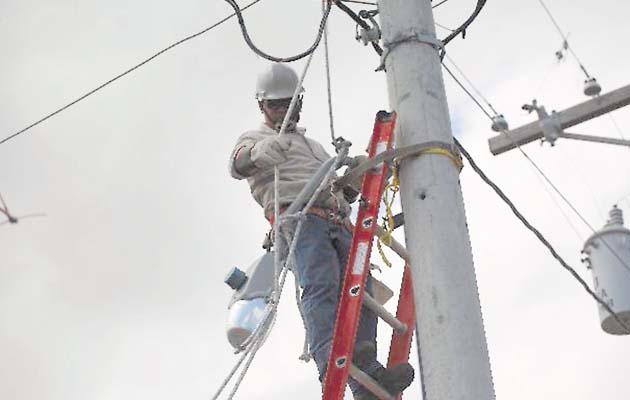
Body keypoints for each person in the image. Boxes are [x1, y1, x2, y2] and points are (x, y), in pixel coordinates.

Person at [228, 62, 414, 399]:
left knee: (365, 297)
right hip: (300, 221)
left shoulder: (314, 147)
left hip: (336, 220)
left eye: (289, 102)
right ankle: (330, 358)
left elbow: (340, 193)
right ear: (263, 106)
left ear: (299, 102)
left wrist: (357, 180)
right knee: (321, 285)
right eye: (275, 104)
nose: (283, 110)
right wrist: (259, 153)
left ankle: (367, 373)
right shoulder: (256, 138)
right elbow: (237, 164)